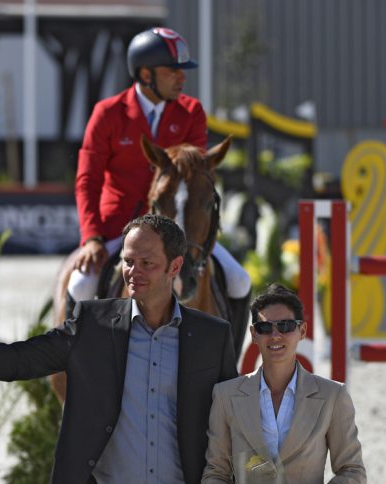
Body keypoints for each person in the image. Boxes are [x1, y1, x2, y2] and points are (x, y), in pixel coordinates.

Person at [0, 214, 238, 484]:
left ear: (176, 267)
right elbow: (23, 358)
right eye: (128, 261)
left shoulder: (212, 336)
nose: (133, 273)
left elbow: (231, 425)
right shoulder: (94, 324)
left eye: (147, 263)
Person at [68, 27, 251, 317]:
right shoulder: (108, 113)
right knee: (80, 286)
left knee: (240, 282)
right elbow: (87, 180)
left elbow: (197, 180)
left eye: (183, 71)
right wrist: (91, 237)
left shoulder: (191, 113)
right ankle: (74, 360)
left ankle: (229, 360)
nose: (183, 78)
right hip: (118, 225)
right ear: (145, 75)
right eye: (173, 71)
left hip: (180, 228)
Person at [201, 284, 366, 484]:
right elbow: (216, 472)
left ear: (302, 331)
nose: (275, 335)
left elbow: (353, 471)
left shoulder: (333, 396)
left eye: (286, 326)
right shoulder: (225, 396)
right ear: (254, 334)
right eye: (265, 327)